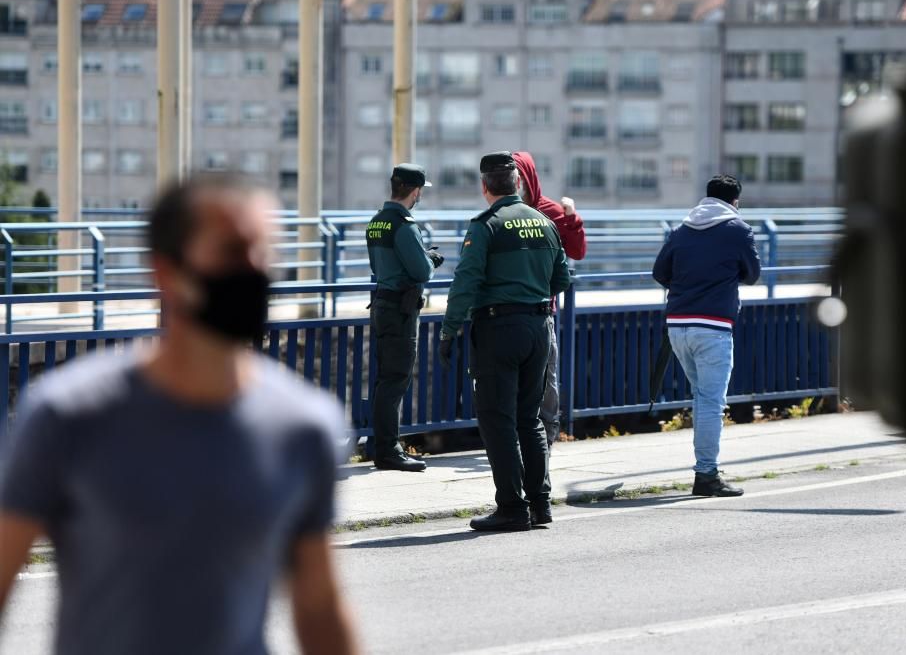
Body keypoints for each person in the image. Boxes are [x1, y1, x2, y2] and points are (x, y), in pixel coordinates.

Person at [0, 175, 360, 655]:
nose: (254, 270)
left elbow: (318, 606)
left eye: (264, 252)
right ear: (167, 272)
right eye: (233, 251)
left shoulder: (307, 426)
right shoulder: (68, 415)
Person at [439, 152, 571, 531]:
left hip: (499, 330)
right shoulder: (544, 222)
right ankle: (540, 504)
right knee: (529, 418)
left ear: (485, 187)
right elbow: (562, 279)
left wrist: (449, 332)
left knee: (498, 420)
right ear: (517, 184)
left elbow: (466, 282)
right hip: (539, 327)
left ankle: (512, 507)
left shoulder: (486, 226)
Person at [652, 174, 761, 498]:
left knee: (702, 398)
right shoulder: (738, 229)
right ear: (734, 201)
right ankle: (706, 475)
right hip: (712, 327)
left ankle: (706, 469)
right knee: (711, 402)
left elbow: (660, 272)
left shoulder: (682, 229)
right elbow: (753, 274)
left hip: (678, 327)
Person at [366, 164, 443, 472]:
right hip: (400, 310)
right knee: (395, 380)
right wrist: (431, 259)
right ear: (415, 191)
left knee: (385, 378)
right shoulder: (404, 225)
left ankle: (383, 446)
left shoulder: (376, 222)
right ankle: (388, 450)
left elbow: (376, 266)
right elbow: (422, 271)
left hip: (382, 304)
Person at [513, 152, 586, 448]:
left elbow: (577, 251)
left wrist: (571, 218)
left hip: (542, 309)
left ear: (527, 178)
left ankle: (547, 435)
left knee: (545, 378)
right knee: (512, 379)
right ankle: (517, 436)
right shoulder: (502, 211)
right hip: (505, 309)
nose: (513, 183)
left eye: (518, 176)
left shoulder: (548, 210)